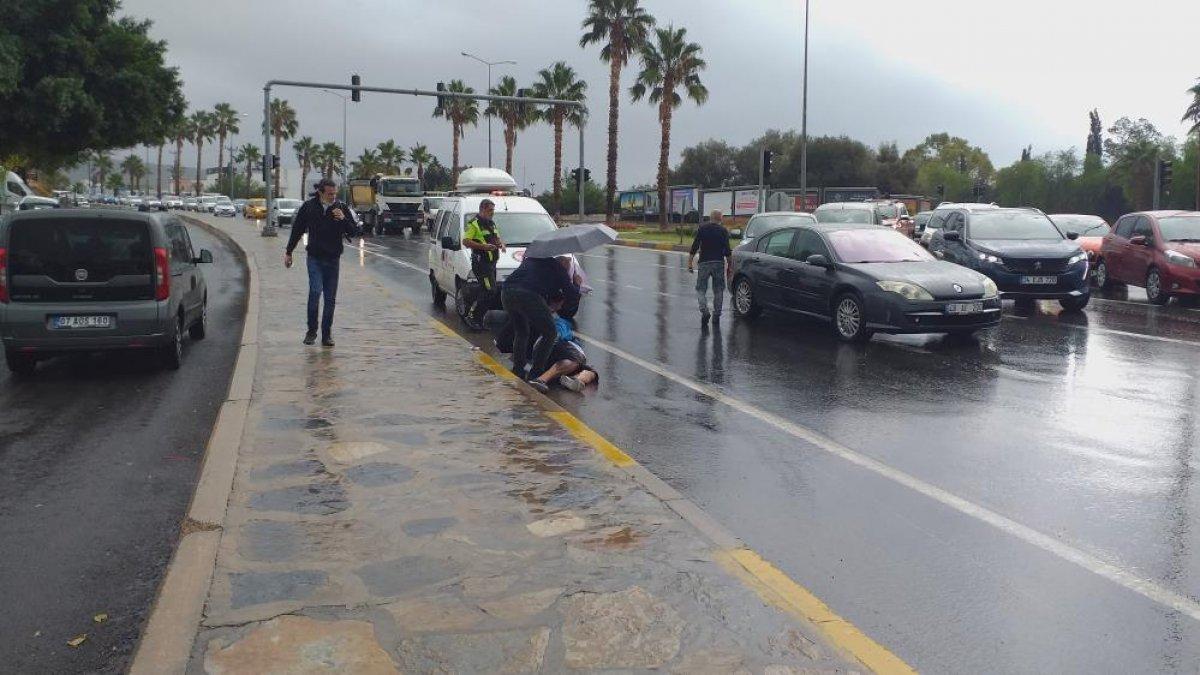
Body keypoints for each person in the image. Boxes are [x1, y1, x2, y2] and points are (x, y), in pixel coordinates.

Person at [284, 178, 360, 347]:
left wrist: (343, 219)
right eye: (330, 194)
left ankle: (326, 335)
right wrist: (289, 252)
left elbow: (354, 231)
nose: (333, 197)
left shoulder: (341, 208)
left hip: (333, 260)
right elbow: (297, 230)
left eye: (335, 194)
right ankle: (311, 331)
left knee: (330, 299)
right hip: (315, 258)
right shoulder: (309, 207)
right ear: (320, 192)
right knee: (315, 291)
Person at [502, 254, 579, 389]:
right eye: (568, 268)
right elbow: (572, 294)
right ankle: (536, 373)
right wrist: (577, 283)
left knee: (522, 331)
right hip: (528, 295)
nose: (568, 271)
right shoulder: (559, 268)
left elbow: (551, 291)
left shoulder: (534, 260)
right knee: (550, 333)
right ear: (563, 264)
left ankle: (518, 369)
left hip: (506, 293)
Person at [462, 199, 505, 321]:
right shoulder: (474, 224)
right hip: (482, 264)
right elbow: (465, 241)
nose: (492, 212)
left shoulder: (491, 223)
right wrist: (483, 247)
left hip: (491, 263)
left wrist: (501, 244)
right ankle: (473, 317)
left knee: (488, 290)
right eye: (490, 210)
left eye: (493, 210)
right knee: (489, 290)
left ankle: (478, 317)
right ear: (482, 209)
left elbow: (496, 238)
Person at [688, 209, 733, 325]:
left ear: (710, 218)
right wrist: (730, 266)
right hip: (718, 263)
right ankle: (716, 315)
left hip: (704, 263)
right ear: (720, 218)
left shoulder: (702, 229)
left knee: (701, 289)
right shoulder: (723, 231)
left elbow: (695, 246)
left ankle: (704, 310)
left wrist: (690, 262)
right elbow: (727, 250)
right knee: (718, 290)